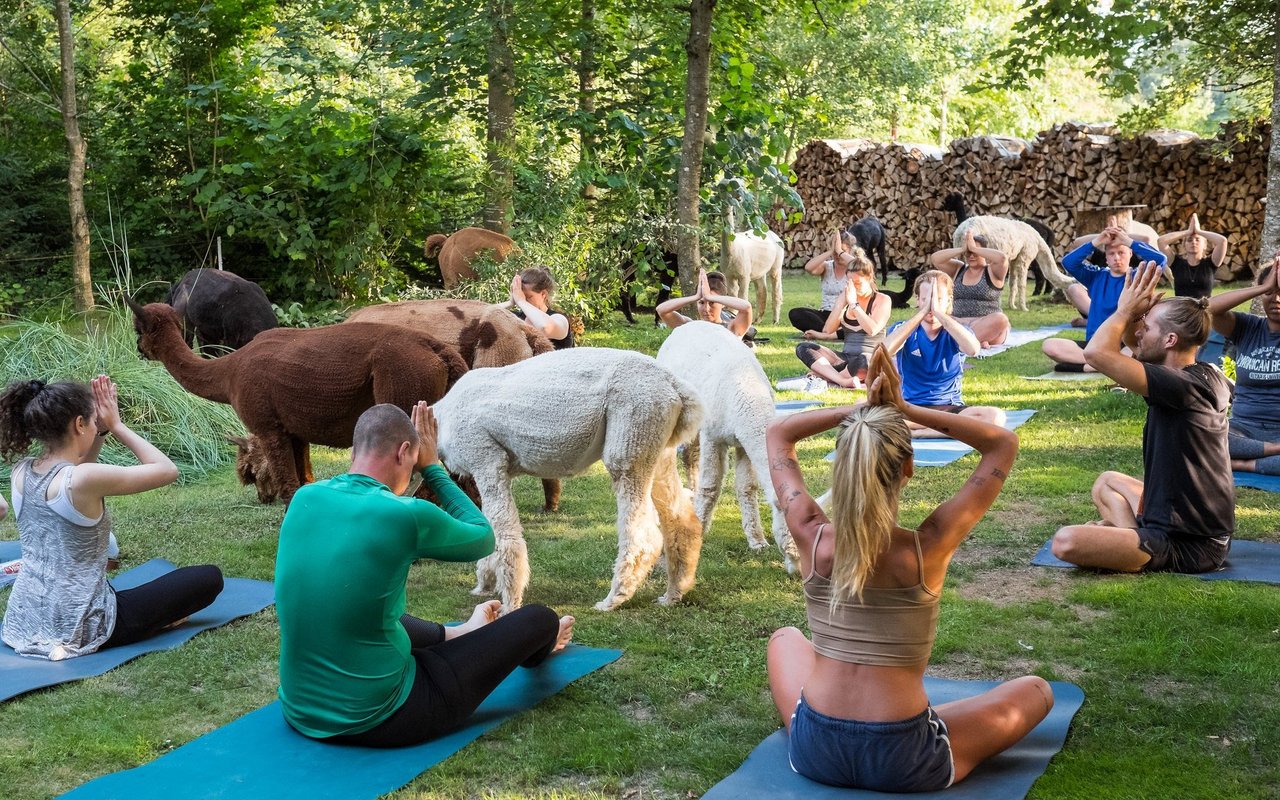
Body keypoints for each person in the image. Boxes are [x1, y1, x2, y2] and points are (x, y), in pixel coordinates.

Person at [764, 346, 1052, 792]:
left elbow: (779, 434)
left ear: (842, 466)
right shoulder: (928, 547)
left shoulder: (809, 533)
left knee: (784, 637)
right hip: (906, 757)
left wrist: (858, 410)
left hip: (815, 750)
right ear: (909, 467)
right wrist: (906, 409)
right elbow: (1002, 444)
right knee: (1037, 690)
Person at [275, 402, 575, 746]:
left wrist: (458, 633)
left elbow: (353, 605)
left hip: (299, 709)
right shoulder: (403, 514)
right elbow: (483, 536)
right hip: (383, 716)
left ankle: (458, 632)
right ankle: (544, 643)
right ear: (404, 452)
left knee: (360, 604)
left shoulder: (305, 497)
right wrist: (433, 467)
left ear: (356, 450)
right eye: (413, 463)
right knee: (538, 619)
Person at [0, 376, 223, 660]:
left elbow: (74, 474)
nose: (97, 426)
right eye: (93, 422)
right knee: (208, 577)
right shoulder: (82, 479)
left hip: (25, 618)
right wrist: (117, 426)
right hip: (84, 624)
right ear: (79, 424)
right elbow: (167, 470)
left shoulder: (22, 471)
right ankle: (158, 622)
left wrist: (101, 432)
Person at [1051, 262, 1234, 573]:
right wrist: (1136, 315)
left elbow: (1095, 354)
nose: (1138, 332)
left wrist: (1124, 312)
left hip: (1189, 544)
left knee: (1065, 542)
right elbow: (1137, 347)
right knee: (1107, 482)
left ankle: (1130, 543)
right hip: (1174, 519)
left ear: (1170, 340)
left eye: (1146, 328)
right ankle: (1128, 538)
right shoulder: (1192, 373)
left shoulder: (1182, 385)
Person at [882, 270, 1005, 437]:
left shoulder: (956, 331)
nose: (931, 306)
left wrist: (940, 313)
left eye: (938, 299)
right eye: (926, 299)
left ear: (949, 301)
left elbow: (973, 349)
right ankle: (941, 429)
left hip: (949, 409)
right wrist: (921, 314)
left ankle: (920, 432)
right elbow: (885, 351)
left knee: (995, 417)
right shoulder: (903, 328)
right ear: (917, 300)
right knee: (867, 410)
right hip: (911, 408)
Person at [1042, 226, 1166, 372]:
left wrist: (1128, 241)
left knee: (1137, 350)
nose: (1117, 258)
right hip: (1095, 343)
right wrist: (1097, 241)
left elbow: (1161, 260)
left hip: (1125, 342)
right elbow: (1068, 262)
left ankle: (1091, 365)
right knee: (1050, 346)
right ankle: (1104, 363)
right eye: (1111, 254)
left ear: (1130, 253)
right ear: (1106, 258)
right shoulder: (1095, 276)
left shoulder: (1137, 277)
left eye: (1121, 252)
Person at [780, 250, 892, 392]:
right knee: (804, 347)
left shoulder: (882, 300)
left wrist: (854, 305)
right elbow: (828, 330)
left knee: (864, 360)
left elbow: (872, 329)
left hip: (868, 359)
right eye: (850, 283)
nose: (854, 288)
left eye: (857, 283)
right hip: (845, 359)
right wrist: (840, 305)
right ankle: (842, 380)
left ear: (869, 278)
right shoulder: (845, 297)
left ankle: (825, 376)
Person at [1209, 255, 1280, 475]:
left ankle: (1241, 464)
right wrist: (1261, 288)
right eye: (1270, 292)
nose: (1276, 299)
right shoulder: (1247, 327)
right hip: (1242, 430)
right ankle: (1272, 452)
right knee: (1200, 436)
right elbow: (1208, 308)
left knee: (1206, 452)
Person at [928, 229, 1011, 348]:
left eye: (975, 252)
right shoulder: (959, 269)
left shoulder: (993, 271)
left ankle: (964, 342)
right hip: (957, 322)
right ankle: (976, 341)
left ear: (984, 252)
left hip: (985, 325)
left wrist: (974, 248)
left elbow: (1002, 258)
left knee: (1001, 319)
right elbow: (936, 259)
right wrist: (962, 249)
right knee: (932, 313)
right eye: (968, 252)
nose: (971, 256)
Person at [656, 268, 753, 340]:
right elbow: (661, 310)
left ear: (722, 303)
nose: (706, 309)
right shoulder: (690, 326)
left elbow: (746, 307)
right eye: (701, 302)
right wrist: (695, 297)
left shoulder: (732, 328)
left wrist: (709, 296)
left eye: (712, 303)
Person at [788, 231, 855, 334]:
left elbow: (860, 265)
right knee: (795, 313)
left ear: (850, 250)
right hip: (825, 314)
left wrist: (839, 251)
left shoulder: (855, 268)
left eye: (842, 251)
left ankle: (830, 332)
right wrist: (831, 251)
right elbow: (808, 268)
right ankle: (828, 332)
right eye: (835, 252)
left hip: (846, 314)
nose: (838, 255)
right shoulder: (826, 266)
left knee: (855, 323)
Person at [1156, 213, 1228, 299]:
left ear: (1205, 245)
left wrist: (1199, 231)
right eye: (1189, 240)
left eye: (1197, 240)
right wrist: (1188, 232)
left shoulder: (1211, 263)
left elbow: (1222, 241)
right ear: (1184, 245)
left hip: (1204, 306)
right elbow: (1161, 241)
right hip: (1182, 306)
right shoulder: (1176, 263)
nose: (1193, 242)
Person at [509, 267, 574, 349]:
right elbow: (491, 316)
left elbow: (545, 328)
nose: (524, 300)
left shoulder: (559, 318)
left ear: (543, 294)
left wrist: (521, 301)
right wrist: (510, 303)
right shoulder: (515, 317)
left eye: (528, 297)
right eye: (521, 295)